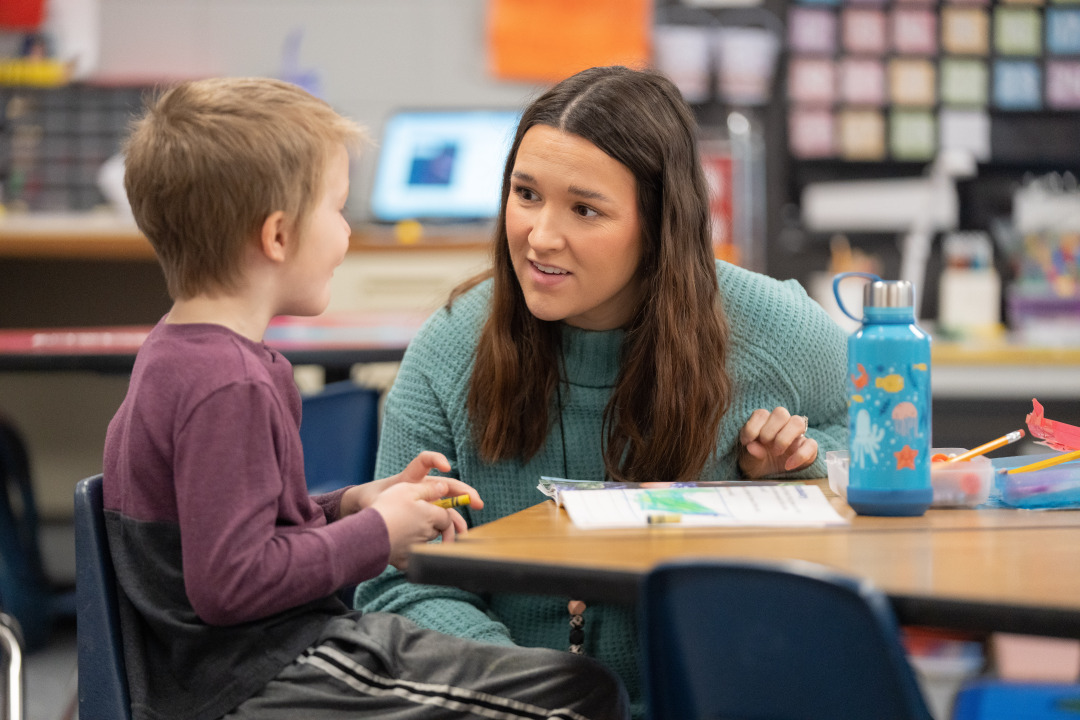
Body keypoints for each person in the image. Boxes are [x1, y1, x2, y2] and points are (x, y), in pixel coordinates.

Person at [103, 76, 630, 720]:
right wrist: (377, 535)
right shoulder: (226, 384)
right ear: (276, 237)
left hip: (261, 660)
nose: (347, 232)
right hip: (257, 675)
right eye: (335, 209)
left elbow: (238, 528)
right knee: (578, 693)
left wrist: (350, 505)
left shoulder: (180, 354)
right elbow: (232, 583)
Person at [355, 65, 849, 719]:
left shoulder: (777, 331)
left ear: (660, 223)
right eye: (525, 194)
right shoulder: (452, 348)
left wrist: (797, 470)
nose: (541, 235)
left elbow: (880, 462)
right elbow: (397, 580)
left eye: (584, 209)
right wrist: (529, 689)